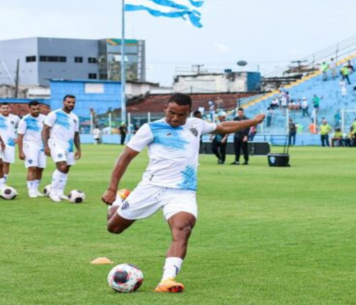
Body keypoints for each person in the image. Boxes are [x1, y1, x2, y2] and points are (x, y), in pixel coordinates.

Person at [101, 93, 265, 293]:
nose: (176, 118)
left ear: (189, 113)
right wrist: (111, 188)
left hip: (183, 192)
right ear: (165, 110)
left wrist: (253, 121)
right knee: (114, 227)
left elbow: (223, 127)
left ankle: (167, 279)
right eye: (172, 113)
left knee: (183, 229)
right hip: (151, 188)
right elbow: (125, 157)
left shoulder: (196, 124)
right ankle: (120, 197)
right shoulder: (150, 129)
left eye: (181, 115)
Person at [42, 95, 81, 202]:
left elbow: (76, 134)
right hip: (55, 143)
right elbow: (45, 130)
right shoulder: (54, 114)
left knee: (67, 168)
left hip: (68, 146)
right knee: (62, 166)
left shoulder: (75, 117)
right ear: (63, 102)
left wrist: (79, 149)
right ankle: (53, 192)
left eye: (73, 102)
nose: (71, 104)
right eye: (69, 102)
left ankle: (60, 192)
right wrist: (46, 146)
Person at [17, 101, 47, 198]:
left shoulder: (44, 119)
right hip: (30, 145)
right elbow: (20, 137)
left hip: (41, 146)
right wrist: (20, 151)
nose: (36, 111)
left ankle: (35, 189)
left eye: (37, 109)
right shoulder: (24, 120)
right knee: (32, 167)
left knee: (40, 168)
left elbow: (47, 133)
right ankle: (31, 190)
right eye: (33, 109)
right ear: (29, 109)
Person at [0, 103, 20, 188]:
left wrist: (17, 138)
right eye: (3, 108)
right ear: (0, 109)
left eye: (7, 108)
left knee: (7, 163)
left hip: (10, 143)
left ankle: (3, 181)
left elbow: (21, 129)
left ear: (10, 109)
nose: (5, 109)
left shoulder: (15, 118)